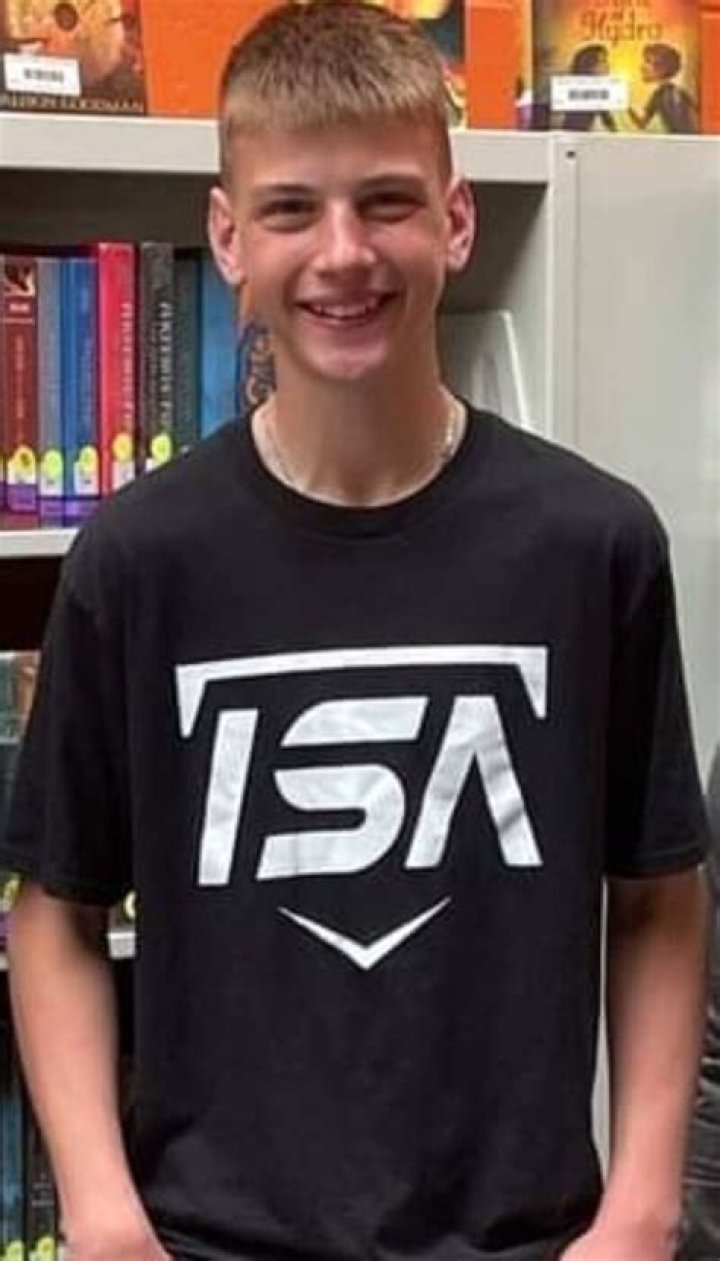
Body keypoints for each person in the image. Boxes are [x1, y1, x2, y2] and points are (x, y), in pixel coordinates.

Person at [0, 3, 710, 1258]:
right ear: (229, 237)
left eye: (387, 202)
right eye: (291, 209)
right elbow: (55, 911)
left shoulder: (591, 543)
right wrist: (104, 1218)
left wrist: (643, 1210)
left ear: (456, 221)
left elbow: (656, 890)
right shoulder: (140, 561)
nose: (343, 254)